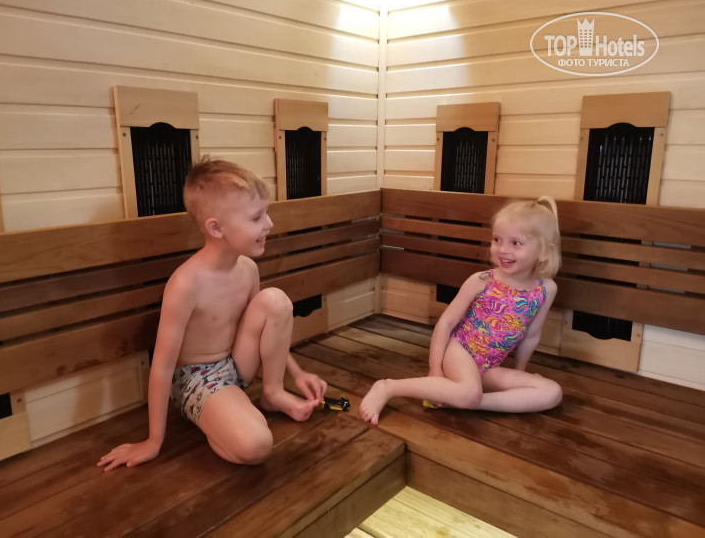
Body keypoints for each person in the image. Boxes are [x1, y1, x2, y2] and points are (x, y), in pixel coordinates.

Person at [98, 158, 327, 469]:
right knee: (257, 446)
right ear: (216, 228)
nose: (269, 224)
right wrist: (153, 441)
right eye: (256, 217)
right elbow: (162, 366)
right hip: (196, 379)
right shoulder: (186, 284)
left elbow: (266, 330)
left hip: (235, 364)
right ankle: (221, 418)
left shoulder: (248, 269)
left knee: (275, 300)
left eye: (266, 212)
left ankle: (272, 393)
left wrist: (297, 374)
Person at [360, 196, 563, 425]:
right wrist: (435, 369)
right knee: (469, 392)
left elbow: (531, 336)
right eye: (497, 239)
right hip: (460, 352)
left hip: (490, 366)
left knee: (552, 392)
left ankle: (464, 400)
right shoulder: (482, 281)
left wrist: (520, 373)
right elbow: (445, 323)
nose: (503, 250)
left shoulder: (546, 289)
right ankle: (388, 387)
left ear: (544, 252)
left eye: (515, 243)